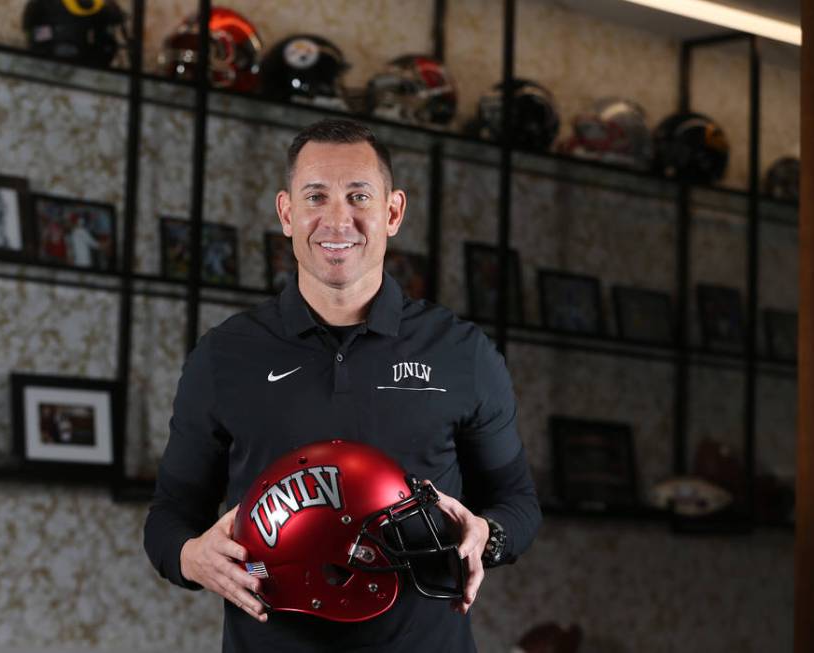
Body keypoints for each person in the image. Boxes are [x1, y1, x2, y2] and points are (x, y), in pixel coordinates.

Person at [144, 119, 541, 652]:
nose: (338, 219)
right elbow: (170, 515)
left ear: (393, 212)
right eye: (316, 197)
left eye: (359, 196)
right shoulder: (224, 355)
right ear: (287, 213)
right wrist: (192, 557)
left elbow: (517, 502)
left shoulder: (462, 353)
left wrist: (486, 537)